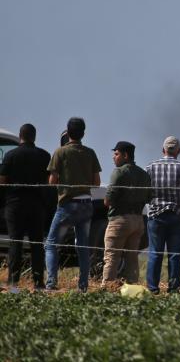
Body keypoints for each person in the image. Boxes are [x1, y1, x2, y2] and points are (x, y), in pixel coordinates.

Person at [45, 117, 101, 291]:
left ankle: (51, 282)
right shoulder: (90, 153)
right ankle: (83, 285)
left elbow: (52, 181)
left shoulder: (60, 152)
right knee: (83, 246)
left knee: (51, 244)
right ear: (83, 133)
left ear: (67, 133)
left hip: (67, 205)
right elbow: (97, 183)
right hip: (86, 205)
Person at [0, 124, 52, 291]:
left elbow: (2, 181)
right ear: (34, 137)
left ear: (20, 136)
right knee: (37, 244)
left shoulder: (10, 155)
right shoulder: (44, 156)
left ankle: (13, 283)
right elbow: (49, 180)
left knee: (15, 243)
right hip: (36, 205)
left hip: (14, 204)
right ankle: (38, 283)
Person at [145, 136, 180, 293]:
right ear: (179, 151)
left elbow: (142, 190)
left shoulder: (150, 167)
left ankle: (152, 288)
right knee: (175, 255)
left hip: (156, 216)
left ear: (163, 150)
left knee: (155, 253)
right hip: (178, 216)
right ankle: (174, 288)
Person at [101, 141, 152, 287]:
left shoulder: (119, 172)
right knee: (132, 258)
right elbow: (149, 197)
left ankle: (107, 288)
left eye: (116, 154)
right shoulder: (143, 174)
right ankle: (132, 287)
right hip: (138, 220)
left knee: (111, 257)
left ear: (125, 155)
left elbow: (108, 201)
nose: (113, 157)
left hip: (120, 220)